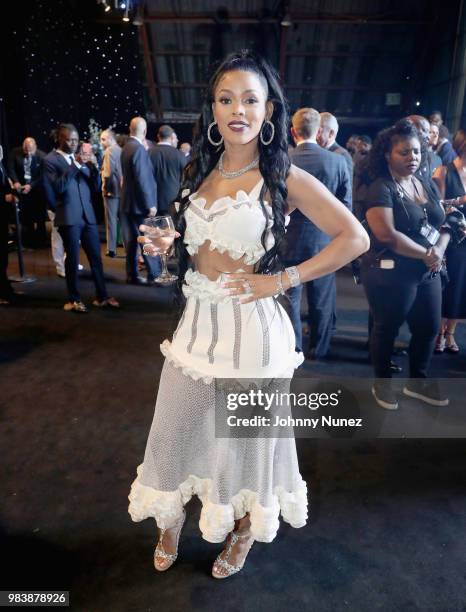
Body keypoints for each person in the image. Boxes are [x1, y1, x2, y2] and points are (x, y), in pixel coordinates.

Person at [128, 51, 368, 578]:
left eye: (251, 99)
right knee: (176, 429)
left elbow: (356, 237)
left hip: (254, 337)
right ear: (212, 109)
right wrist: (170, 242)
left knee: (245, 444)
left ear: (270, 111)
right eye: (226, 98)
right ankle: (170, 518)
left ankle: (242, 531)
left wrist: (282, 279)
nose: (238, 109)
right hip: (195, 328)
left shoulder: (284, 176)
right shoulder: (200, 169)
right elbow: (197, 245)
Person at [361, 119, 450, 411]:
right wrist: (428, 253)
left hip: (428, 271)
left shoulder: (423, 183)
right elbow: (387, 235)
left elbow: (444, 221)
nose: (412, 158)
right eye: (404, 152)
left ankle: (417, 381)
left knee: (428, 327)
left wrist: (438, 249)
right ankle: (382, 383)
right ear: (388, 154)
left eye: (416, 152)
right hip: (393, 272)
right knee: (387, 328)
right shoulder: (380, 188)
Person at [281, 107, 352, 360]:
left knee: (290, 298)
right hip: (324, 242)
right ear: (319, 131)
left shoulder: (283, 160)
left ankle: (294, 348)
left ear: (292, 131)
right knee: (321, 299)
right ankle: (319, 348)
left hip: (287, 242)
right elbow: (346, 206)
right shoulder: (338, 161)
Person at [44, 123, 120, 312]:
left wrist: (93, 166)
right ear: (59, 139)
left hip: (88, 216)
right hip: (68, 217)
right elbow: (58, 188)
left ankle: (102, 296)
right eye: (69, 139)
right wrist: (76, 164)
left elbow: (94, 187)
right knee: (72, 259)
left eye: (76, 140)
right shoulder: (50, 160)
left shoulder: (81, 160)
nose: (73, 143)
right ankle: (74, 299)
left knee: (96, 257)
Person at [432, 128, 466, 353]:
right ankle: (437, 333)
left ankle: (451, 332)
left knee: (462, 288)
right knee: (446, 285)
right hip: (449, 238)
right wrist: (460, 200)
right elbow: (438, 207)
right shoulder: (443, 171)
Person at [120, 117, 161, 285]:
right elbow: (143, 179)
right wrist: (150, 204)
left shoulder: (126, 147)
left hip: (128, 203)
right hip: (140, 205)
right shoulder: (138, 149)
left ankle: (132, 275)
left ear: (130, 129)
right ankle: (155, 275)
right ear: (144, 132)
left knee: (131, 242)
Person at [8, 137, 47, 248]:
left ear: (35, 147)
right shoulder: (15, 152)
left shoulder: (42, 156)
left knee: (40, 218)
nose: (28, 153)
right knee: (26, 218)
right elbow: (11, 168)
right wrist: (15, 182)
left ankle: (41, 243)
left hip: (37, 190)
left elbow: (43, 176)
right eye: (25, 150)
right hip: (21, 188)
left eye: (30, 150)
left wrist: (31, 185)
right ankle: (28, 242)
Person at [149, 125, 187, 215]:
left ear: (158, 136)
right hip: (173, 201)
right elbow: (186, 178)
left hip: (152, 202)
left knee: (154, 229)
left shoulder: (148, 153)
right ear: (171, 137)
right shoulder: (179, 155)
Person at [100, 129, 122, 258]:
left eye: (103, 139)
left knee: (111, 220)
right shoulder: (121, 149)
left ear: (110, 138)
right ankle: (129, 247)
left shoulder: (109, 151)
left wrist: (105, 188)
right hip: (122, 190)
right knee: (123, 221)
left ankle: (111, 249)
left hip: (111, 191)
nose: (102, 142)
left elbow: (107, 173)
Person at [0, 145, 17, 304]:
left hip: (3, 217)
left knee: (4, 257)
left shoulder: (1, 166)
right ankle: (3, 293)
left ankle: (6, 289)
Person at [317, 112, 353, 179]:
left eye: (319, 131)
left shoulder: (343, 156)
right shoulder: (316, 151)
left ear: (331, 133)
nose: (315, 135)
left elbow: (347, 187)